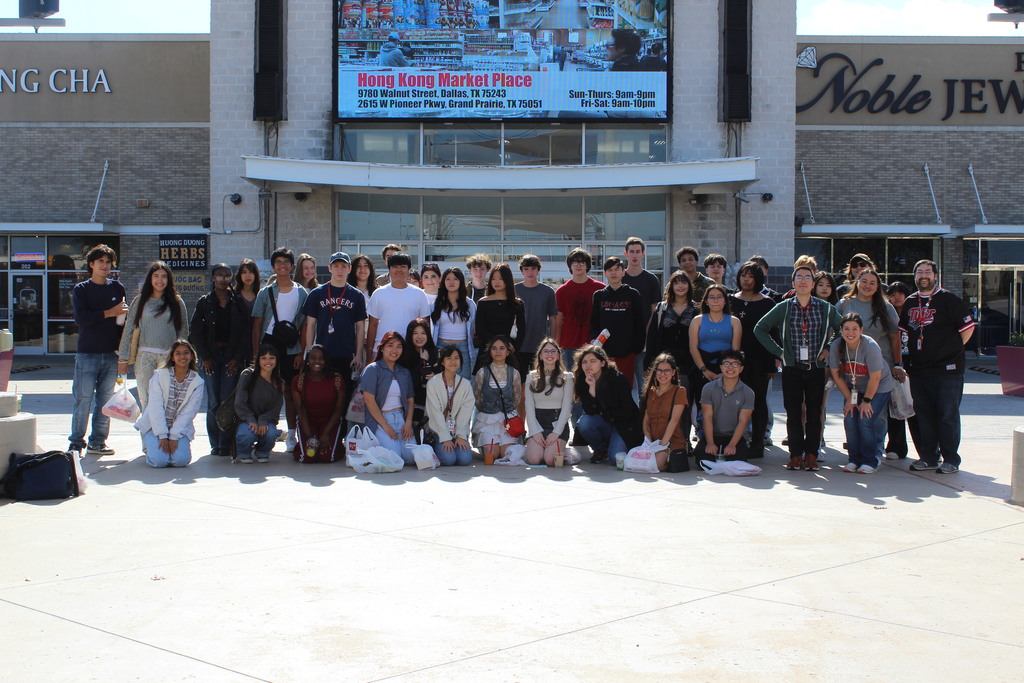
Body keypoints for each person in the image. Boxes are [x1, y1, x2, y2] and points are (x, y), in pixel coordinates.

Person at [754, 265, 843, 471]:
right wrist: (779, 352)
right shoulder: (784, 307)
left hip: (816, 367)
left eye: (807, 278)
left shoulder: (825, 308)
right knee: (793, 413)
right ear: (793, 283)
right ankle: (795, 455)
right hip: (792, 368)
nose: (803, 281)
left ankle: (811, 455)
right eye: (799, 277)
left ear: (813, 283)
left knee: (814, 412)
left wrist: (829, 347)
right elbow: (760, 328)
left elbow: (842, 328)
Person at [899, 259, 975, 474]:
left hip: (947, 370)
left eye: (927, 272)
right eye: (919, 272)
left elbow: (967, 329)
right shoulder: (910, 302)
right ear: (915, 276)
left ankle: (951, 459)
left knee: (947, 415)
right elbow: (904, 333)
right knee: (924, 416)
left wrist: (950, 349)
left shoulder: (949, 299)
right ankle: (929, 457)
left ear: (935, 276)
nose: (923, 275)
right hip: (919, 369)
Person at [70, 244, 129, 457]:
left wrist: (123, 354)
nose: (105, 265)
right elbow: (81, 319)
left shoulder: (118, 288)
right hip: (87, 353)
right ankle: (76, 443)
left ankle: (98, 442)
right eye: (100, 261)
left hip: (112, 354)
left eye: (108, 262)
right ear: (91, 264)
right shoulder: (81, 290)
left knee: (105, 401)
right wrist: (109, 312)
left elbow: (122, 323)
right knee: (83, 399)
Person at [189, 263, 250, 456]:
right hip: (211, 358)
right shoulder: (205, 302)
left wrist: (237, 359)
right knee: (214, 401)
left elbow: (246, 333)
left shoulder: (237, 302)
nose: (224, 279)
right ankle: (215, 443)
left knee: (227, 400)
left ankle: (226, 443)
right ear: (213, 278)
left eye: (227, 275)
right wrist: (205, 357)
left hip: (231, 358)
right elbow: (196, 332)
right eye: (220, 275)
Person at [251, 247, 308, 452]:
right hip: (269, 345)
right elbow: (257, 324)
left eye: (286, 262)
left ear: (292, 266)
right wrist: (256, 353)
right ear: (273, 266)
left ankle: (292, 434)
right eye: (278, 262)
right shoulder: (265, 292)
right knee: (265, 391)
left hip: (292, 346)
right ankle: (264, 433)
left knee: (291, 392)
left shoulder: (302, 292)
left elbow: (304, 325)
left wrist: (301, 352)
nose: (282, 266)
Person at [119, 261, 189, 413]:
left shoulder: (177, 302)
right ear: (150, 279)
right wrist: (123, 358)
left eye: (164, 276)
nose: (159, 280)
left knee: (167, 402)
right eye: (156, 276)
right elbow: (128, 328)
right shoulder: (140, 301)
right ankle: (148, 429)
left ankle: (164, 429)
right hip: (144, 358)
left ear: (169, 280)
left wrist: (182, 357)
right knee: (147, 401)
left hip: (168, 358)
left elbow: (183, 331)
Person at [829, 313, 896, 474]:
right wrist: (849, 399)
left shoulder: (870, 346)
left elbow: (876, 377)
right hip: (854, 388)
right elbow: (836, 374)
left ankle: (869, 460)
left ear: (861, 330)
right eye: (846, 329)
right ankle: (854, 459)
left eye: (855, 329)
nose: (850, 333)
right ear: (841, 330)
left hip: (879, 386)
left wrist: (866, 401)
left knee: (865, 419)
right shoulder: (836, 346)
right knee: (850, 417)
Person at [729, 262, 777, 458]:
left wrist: (774, 361)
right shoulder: (730, 300)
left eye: (751, 276)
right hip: (734, 361)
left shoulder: (768, 303)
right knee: (735, 402)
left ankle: (758, 443)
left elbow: (775, 333)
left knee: (758, 402)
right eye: (743, 275)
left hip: (760, 360)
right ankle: (736, 442)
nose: (747, 280)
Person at [134, 340, 205, 468]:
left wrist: (174, 437)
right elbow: (156, 407)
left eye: (186, 353)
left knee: (180, 461)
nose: (182, 356)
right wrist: (162, 435)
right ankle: (153, 452)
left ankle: (170, 451)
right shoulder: (160, 376)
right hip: (154, 427)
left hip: (179, 429)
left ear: (192, 356)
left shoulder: (197, 381)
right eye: (178, 353)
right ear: (172, 357)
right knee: (159, 461)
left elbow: (189, 412)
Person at [302, 251, 366, 381]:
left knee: (345, 389)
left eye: (343, 266)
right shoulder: (316, 294)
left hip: (347, 353)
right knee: (322, 389)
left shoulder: (357, 295)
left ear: (349, 269)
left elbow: (360, 327)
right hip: (322, 353)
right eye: (336, 266)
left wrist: (359, 354)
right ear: (329, 268)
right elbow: (311, 325)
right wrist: (309, 352)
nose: (340, 270)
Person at [574, 344, 642, 463]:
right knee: (584, 422)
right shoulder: (583, 380)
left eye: (593, 361)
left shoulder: (617, 378)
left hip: (624, 425)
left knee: (616, 459)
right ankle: (601, 449)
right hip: (605, 422)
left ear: (603, 363)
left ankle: (618, 446)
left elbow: (627, 410)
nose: (588, 365)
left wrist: (606, 414)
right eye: (584, 362)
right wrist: (592, 387)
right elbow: (590, 411)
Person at [688, 284, 742, 431]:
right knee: (702, 404)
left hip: (726, 369)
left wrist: (725, 373)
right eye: (712, 297)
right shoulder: (697, 320)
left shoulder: (734, 321)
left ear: (725, 301)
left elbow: (735, 350)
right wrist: (704, 370)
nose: (716, 300)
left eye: (719, 297)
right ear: (706, 301)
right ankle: (702, 434)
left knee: (724, 405)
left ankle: (724, 434)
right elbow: (693, 347)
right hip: (702, 367)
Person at [360, 331, 417, 461]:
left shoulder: (404, 372)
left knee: (411, 457)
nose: (394, 350)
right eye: (390, 345)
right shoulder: (373, 369)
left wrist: (408, 423)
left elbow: (410, 400)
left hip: (400, 418)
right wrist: (385, 426)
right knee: (395, 457)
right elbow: (369, 401)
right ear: (382, 348)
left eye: (399, 346)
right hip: (381, 419)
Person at [590, 256, 645, 388]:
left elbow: (640, 323)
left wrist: (635, 350)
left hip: (627, 353)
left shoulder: (633, 294)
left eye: (616, 269)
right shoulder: (599, 295)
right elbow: (594, 322)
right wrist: (596, 343)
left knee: (624, 388)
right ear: (605, 274)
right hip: (604, 353)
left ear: (623, 272)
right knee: (604, 389)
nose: (613, 273)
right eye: (610, 270)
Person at [366, 252, 431, 358]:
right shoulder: (378, 293)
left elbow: (425, 324)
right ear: (389, 270)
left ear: (409, 270)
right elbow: (373, 325)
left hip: (411, 351)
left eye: (403, 266)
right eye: (395, 266)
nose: (399, 270)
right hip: (382, 350)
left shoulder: (419, 294)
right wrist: (369, 355)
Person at [695, 349, 755, 463]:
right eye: (726, 363)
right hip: (712, 435)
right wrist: (710, 443)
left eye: (735, 364)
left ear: (741, 368)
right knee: (703, 461)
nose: (730, 367)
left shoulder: (748, 392)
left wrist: (732, 445)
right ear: (721, 367)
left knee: (737, 461)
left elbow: (743, 421)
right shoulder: (708, 388)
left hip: (734, 437)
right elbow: (707, 417)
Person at [472, 335, 524, 462]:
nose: (498, 351)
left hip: (508, 421)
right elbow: (477, 399)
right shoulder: (482, 372)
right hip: (488, 420)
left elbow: (516, 399)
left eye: (502, 348)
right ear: (490, 351)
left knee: (506, 453)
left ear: (508, 352)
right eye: (494, 348)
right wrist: (489, 410)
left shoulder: (514, 373)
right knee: (492, 455)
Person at [524, 338, 575, 466]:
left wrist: (556, 432)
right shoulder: (531, 377)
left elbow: (566, 408)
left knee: (550, 460)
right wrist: (535, 432)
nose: (549, 354)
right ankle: (542, 447)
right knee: (534, 460)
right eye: (546, 351)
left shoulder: (567, 377)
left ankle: (564, 451)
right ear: (540, 356)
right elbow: (529, 408)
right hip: (538, 424)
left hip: (557, 423)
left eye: (553, 351)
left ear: (558, 355)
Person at [291, 345, 346, 463]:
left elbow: (338, 410)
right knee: (308, 457)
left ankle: (336, 444)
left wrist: (325, 434)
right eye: (313, 358)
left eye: (321, 358)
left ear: (326, 361)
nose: (317, 361)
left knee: (326, 457)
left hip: (330, 422)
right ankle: (301, 444)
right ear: (307, 360)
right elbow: (301, 411)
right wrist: (309, 437)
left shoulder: (337, 380)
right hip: (308, 422)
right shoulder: (298, 381)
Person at [234, 343, 286, 463]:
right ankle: (244, 453)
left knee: (270, 433)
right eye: (264, 358)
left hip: (266, 421)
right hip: (246, 420)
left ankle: (263, 452)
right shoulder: (247, 375)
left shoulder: (279, 383)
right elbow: (240, 402)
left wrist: (263, 420)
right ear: (258, 360)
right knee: (247, 434)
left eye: (272, 358)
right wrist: (251, 419)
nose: (268, 361)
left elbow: (275, 409)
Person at [424, 345, 475, 466]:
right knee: (449, 459)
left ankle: (454, 441)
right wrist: (445, 437)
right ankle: (437, 445)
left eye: (456, 358)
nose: (453, 361)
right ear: (442, 362)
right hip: (438, 430)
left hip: (456, 430)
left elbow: (466, 412)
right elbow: (434, 412)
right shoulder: (433, 383)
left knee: (465, 459)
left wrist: (461, 435)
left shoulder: (465, 384)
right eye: (449, 358)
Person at [555, 247, 605, 372]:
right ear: (570, 265)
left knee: (594, 378)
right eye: (575, 262)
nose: (578, 265)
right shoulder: (561, 291)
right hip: (568, 345)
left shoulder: (600, 288)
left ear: (587, 265)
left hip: (594, 344)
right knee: (570, 379)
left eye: (582, 262)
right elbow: (558, 322)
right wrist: (556, 346)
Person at [622, 237, 662, 390]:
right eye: (631, 251)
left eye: (638, 251)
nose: (634, 255)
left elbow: (655, 309)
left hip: (645, 340)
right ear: (626, 254)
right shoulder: (620, 277)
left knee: (643, 385)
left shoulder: (651, 279)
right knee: (623, 384)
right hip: (623, 339)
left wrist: (646, 333)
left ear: (643, 254)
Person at [640, 353, 689, 471]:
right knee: (638, 463)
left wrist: (661, 446)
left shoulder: (679, 391)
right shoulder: (650, 391)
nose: (662, 374)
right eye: (659, 370)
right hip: (652, 442)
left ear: (673, 372)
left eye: (667, 371)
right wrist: (649, 442)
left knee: (655, 464)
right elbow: (646, 420)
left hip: (671, 442)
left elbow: (674, 420)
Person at [645, 271, 698, 381]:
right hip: (663, 362)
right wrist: (647, 363)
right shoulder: (661, 308)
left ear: (689, 285)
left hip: (689, 364)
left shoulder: (696, 309)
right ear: (671, 286)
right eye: (676, 283)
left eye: (683, 282)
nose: (680, 286)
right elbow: (652, 337)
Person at [473, 263, 526, 373]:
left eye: (501, 278)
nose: (496, 282)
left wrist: (511, 347)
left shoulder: (517, 304)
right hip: (487, 350)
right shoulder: (483, 302)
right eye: (493, 278)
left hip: (510, 351)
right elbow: (480, 330)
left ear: (508, 280)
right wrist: (499, 344)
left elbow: (522, 330)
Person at [514, 254, 559, 373]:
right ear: (521, 271)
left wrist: (552, 343)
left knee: (541, 379)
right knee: (520, 379)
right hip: (518, 344)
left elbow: (553, 318)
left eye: (533, 268)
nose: (530, 272)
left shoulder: (548, 291)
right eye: (526, 269)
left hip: (541, 346)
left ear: (538, 270)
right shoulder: (514, 290)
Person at [431, 266, 477, 380]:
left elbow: (473, 328)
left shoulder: (470, 304)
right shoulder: (436, 304)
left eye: (455, 279)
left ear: (461, 281)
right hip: (441, 346)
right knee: (441, 382)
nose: (451, 282)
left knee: (464, 382)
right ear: (443, 282)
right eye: (448, 279)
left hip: (463, 347)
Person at [884, 280, 913, 459]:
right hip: (894, 363)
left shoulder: (914, 314)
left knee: (917, 406)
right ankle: (896, 446)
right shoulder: (886, 314)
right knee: (895, 405)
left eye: (900, 294)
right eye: (892, 295)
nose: (896, 298)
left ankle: (929, 449)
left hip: (914, 364)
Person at [403, 318, 440, 436]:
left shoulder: (435, 354)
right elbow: (411, 381)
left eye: (423, 333)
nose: (419, 337)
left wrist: (434, 376)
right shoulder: (404, 355)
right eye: (415, 333)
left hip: (433, 405)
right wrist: (422, 361)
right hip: (412, 404)